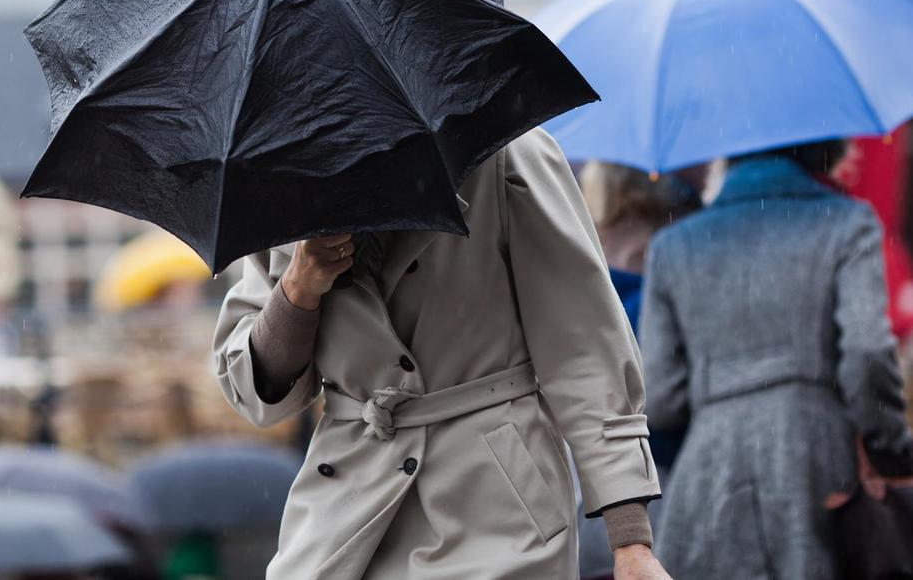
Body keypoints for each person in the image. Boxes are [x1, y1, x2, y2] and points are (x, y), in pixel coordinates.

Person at [214, 128, 670, 579]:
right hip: (345, 515)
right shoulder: (277, 180)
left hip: (497, 511)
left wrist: (629, 536)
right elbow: (257, 393)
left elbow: (583, 345)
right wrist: (298, 289)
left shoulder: (505, 151)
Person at [640, 140, 913, 579]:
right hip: (816, 462)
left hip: (709, 476)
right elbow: (866, 354)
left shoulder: (672, 246)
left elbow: (660, 399)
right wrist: (890, 450)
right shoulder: (845, 222)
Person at [576, 162, 702, 580]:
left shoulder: (575, 238)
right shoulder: (685, 244)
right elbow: (664, 399)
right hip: (666, 483)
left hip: (589, 486)